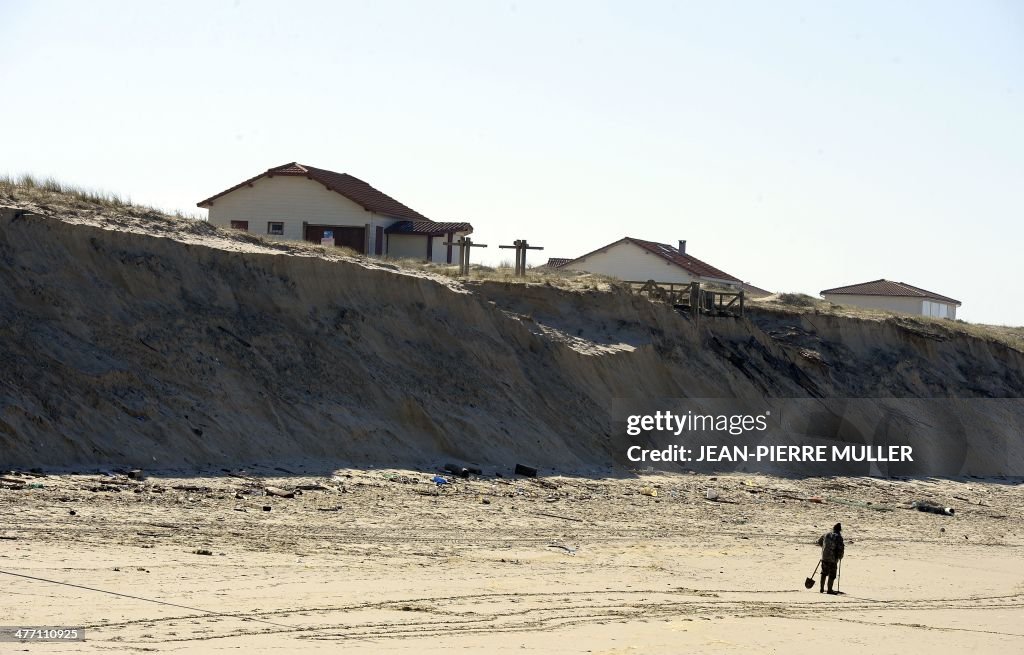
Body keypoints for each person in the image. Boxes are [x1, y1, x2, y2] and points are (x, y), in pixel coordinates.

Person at [816, 523, 845, 594]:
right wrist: (840, 556)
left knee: (824, 572)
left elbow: (819, 542)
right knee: (832, 574)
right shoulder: (839, 537)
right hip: (833, 558)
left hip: (824, 556)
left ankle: (822, 589)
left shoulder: (826, 534)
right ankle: (829, 590)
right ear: (840, 530)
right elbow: (840, 548)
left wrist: (825, 548)